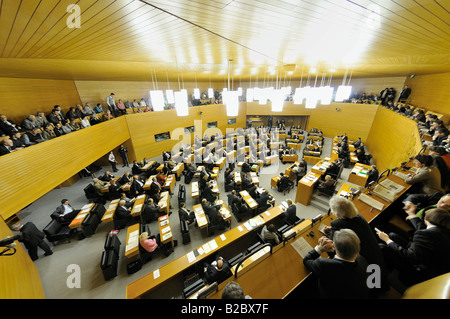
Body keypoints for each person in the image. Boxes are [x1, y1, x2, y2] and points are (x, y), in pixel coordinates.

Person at [326, 196, 390, 294]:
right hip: (377, 262)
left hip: (365, 270)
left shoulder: (337, 223)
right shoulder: (358, 216)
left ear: (336, 212)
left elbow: (331, 248)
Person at [377, 208, 450, 287]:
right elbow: (423, 230)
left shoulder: (424, 234)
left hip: (425, 272)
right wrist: (412, 215)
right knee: (392, 235)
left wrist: (387, 240)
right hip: (439, 266)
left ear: (425, 218)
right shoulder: (443, 232)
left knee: (382, 247)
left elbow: (409, 256)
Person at [303, 229, 370, 299]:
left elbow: (307, 260)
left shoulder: (324, 265)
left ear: (334, 246)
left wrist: (320, 248)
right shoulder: (362, 260)